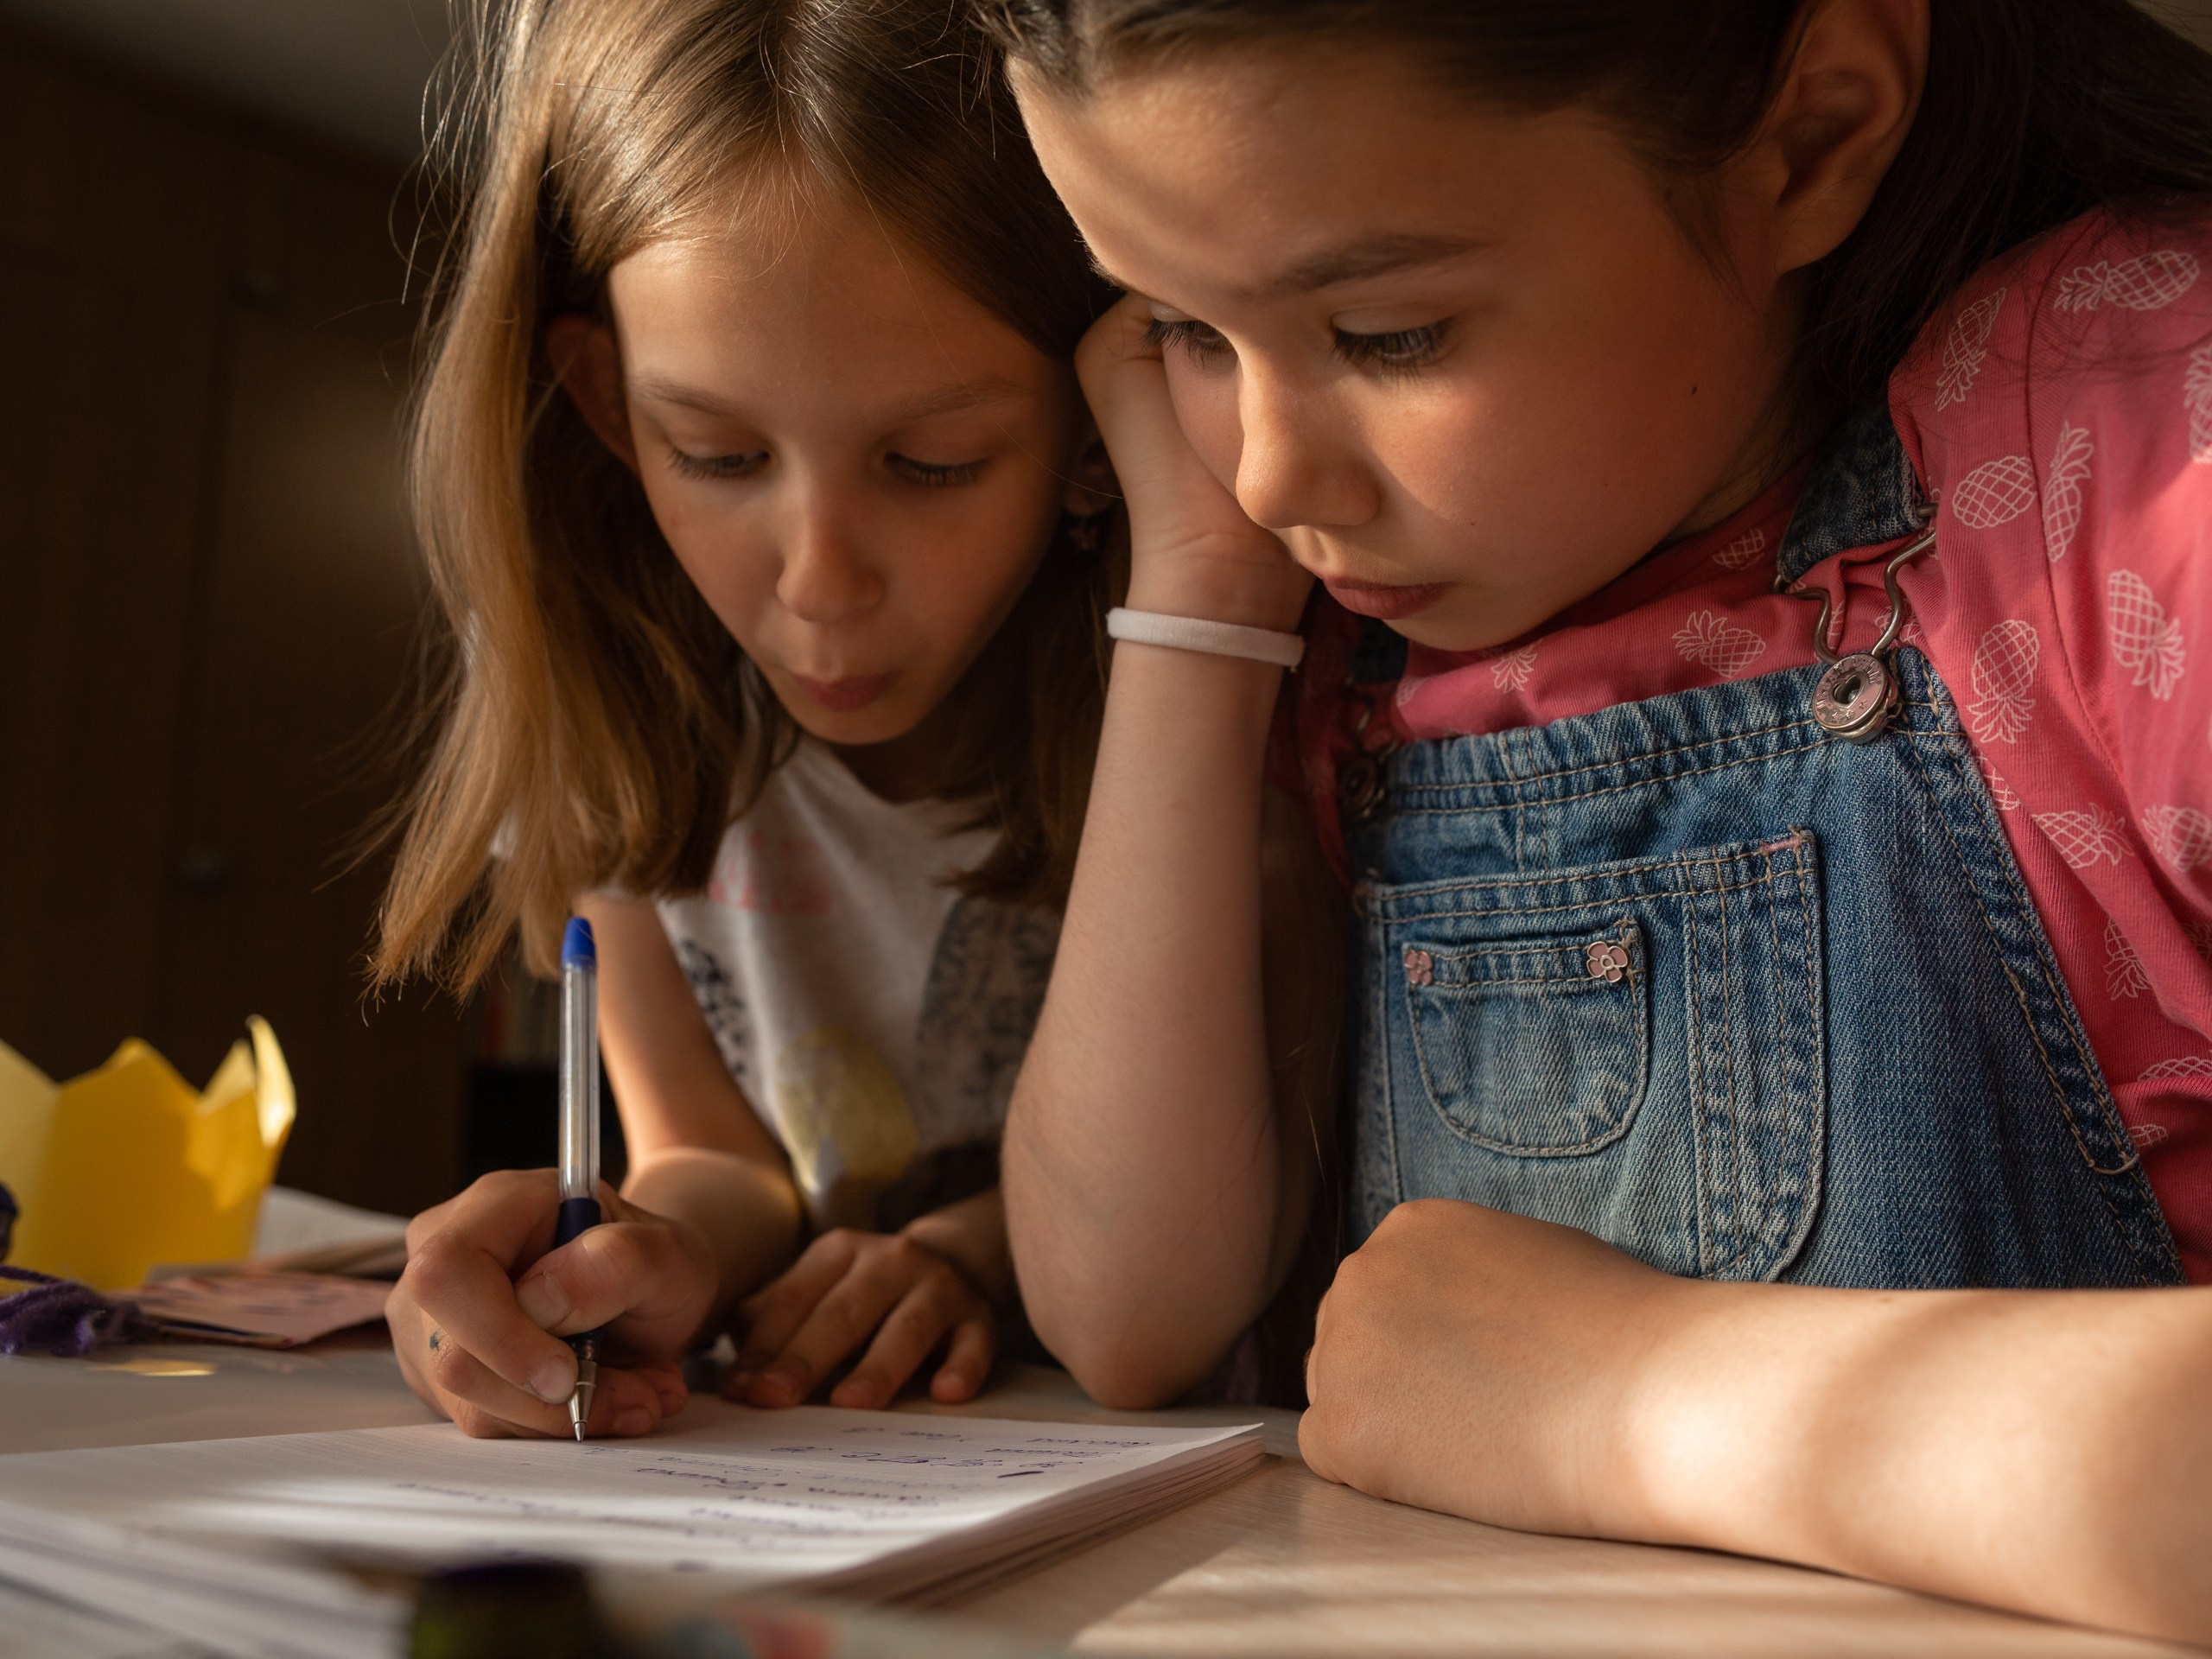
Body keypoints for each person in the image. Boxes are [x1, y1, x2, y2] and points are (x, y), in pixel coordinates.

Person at [987, 0, 2212, 1641]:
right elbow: (1128, 1312)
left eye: (1393, 333)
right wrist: (1202, 600)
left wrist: (1631, 1395)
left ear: (1811, 138)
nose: (1272, 475)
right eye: (1178, 330)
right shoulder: (1342, 626)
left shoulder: (2132, 435)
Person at [372, 0, 1338, 1442]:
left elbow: (1269, 1156)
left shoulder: (1254, 689)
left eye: (933, 463)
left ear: (1095, 433)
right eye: (717, 453)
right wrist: (642, 1244)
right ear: (607, 406)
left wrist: (969, 1250)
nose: (818, 585)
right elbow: (717, 1150)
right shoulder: (614, 697)